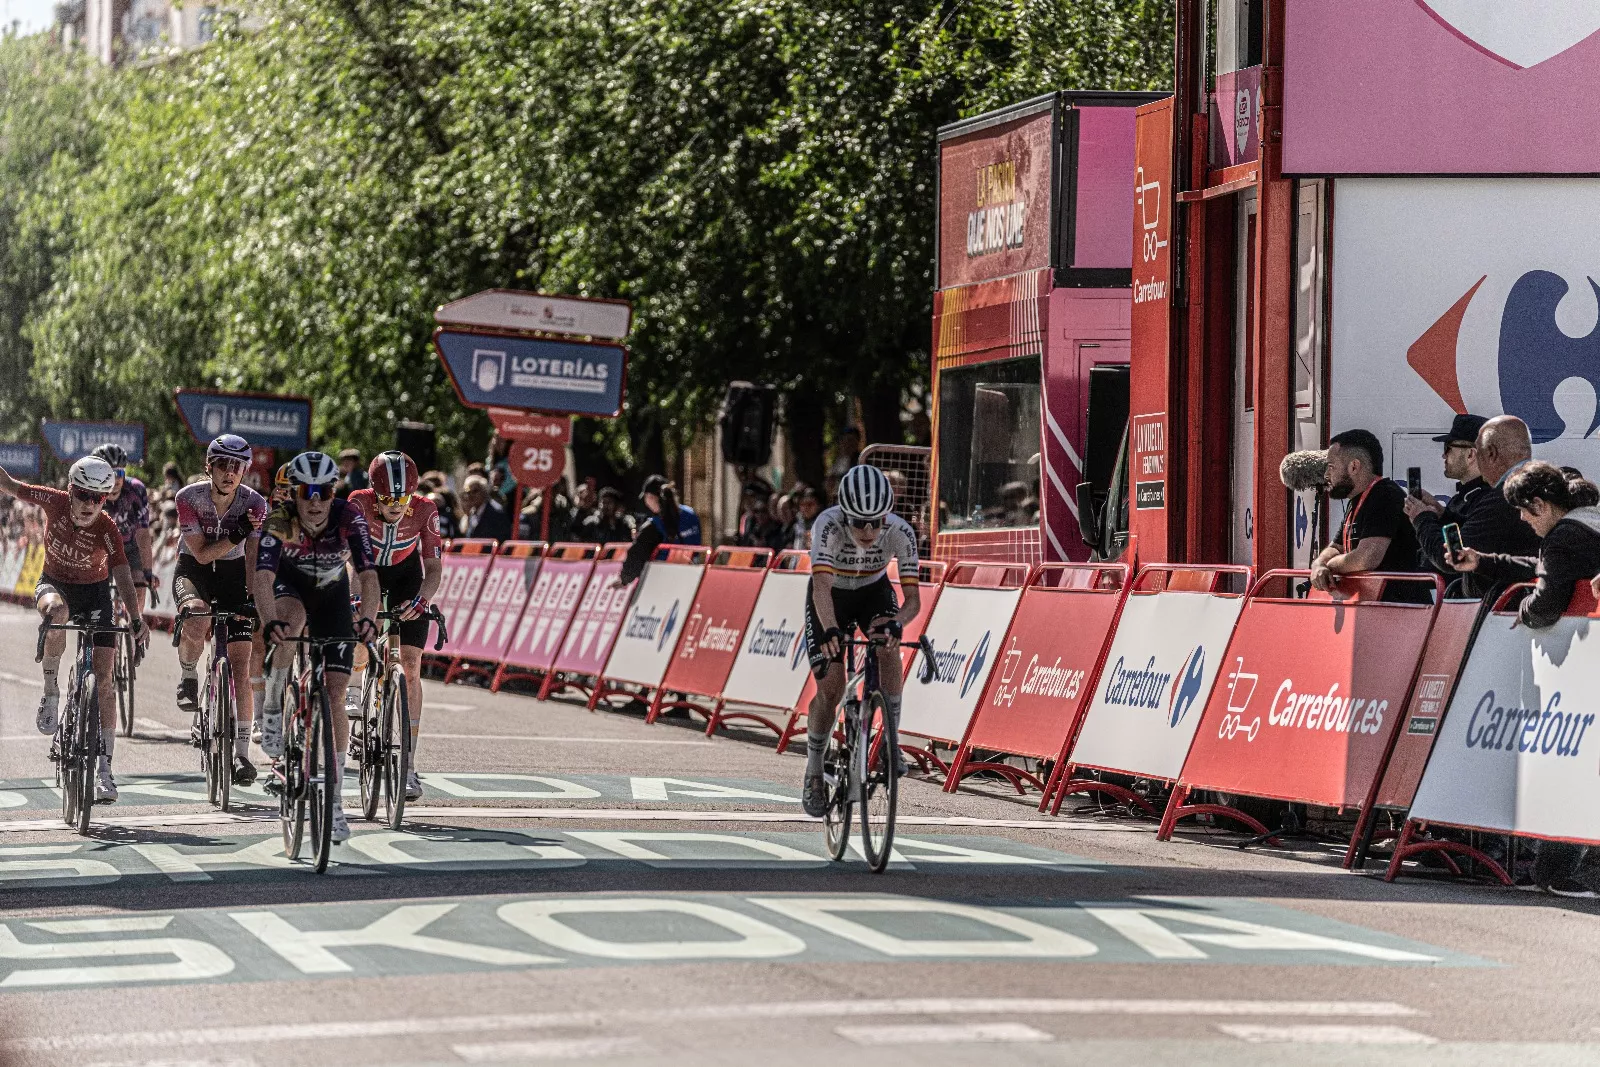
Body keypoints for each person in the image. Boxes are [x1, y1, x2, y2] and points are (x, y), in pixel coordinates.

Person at [1451, 461, 1600, 898]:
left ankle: (1563, 872)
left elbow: (1546, 600)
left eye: (1524, 511)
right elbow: (1541, 567)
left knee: (1572, 771)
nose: (1520, 520)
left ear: (1540, 503)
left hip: (1577, 675)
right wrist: (1487, 561)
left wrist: (1521, 612)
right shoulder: (1586, 521)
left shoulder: (1565, 536)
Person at [0, 456, 144, 803]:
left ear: (105, 499)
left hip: (95, 594)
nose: (88, 505)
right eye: (82, 495)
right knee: (56, 611)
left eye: (98, 498)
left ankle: (105, 769)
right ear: (70, 490)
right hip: (55, 585)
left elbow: (123, 573)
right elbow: (12, 486)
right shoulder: (55, 501)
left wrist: (137, 619)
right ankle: (51, 692)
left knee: (105, 680)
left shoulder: (107, 528)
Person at [255, 451, 380, 845]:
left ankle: (335, 800)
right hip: (289, 586)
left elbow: (368, 575)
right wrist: (267, 619)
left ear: (333, 492)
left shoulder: (348, 517)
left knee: (336, 693)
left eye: (323, 491)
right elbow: (262, 576)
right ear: (292, 493)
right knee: (290, 624)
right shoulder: (279, 519)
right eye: (306, 492)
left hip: (331, 592)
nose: (314, 501)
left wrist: (370, 619)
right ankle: (274, 705)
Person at [800, 464, 921, 817]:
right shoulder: (827, 525)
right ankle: (813, 770)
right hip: (831, 597)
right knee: (832, 687)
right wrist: (830, 630)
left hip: (873, 593)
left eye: (876, 522)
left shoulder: (901, 531)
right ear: (845, 514)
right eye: (859, 523)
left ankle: (889, 742)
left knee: (888, 648)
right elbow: (821, 587)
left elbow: (913, 600)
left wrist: (897, 623)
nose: (868, 531)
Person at [171, 434, 271, 785]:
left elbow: (254, 560)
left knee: (241, 664)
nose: (230, 473)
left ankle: (242, 755)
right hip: (195, 570)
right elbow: (199, 553)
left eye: (238, 466)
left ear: (244, 470)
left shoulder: (255, 504)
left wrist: (253, 602)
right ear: (209, 467)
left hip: (232, 575)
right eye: (223, 465)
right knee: (197, 617)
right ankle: (187, 673)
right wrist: (236, 534)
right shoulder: (188, 498)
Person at [348, 451, 443, 801]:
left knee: (412, 667)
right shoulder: (357, 503)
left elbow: (433, 570)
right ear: (375, 493)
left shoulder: (425, 510)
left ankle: (408, 765)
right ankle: (358, 688)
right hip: (367, 572)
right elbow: (354, 561)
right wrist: (357, 602)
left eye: (402, 499)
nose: (395, 507)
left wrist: (421, 601)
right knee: (362, 627)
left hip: (406, 577)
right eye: (387, 499)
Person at [1405, 413, 1539, 599]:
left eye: (1480, 453)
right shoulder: (1525, 488)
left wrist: (1422, 519)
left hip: (1502, 612)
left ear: (1489, 453)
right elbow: (1474, 536)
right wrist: (1443, 515)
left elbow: (1453, 557)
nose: (1478, 464)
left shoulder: (1503, 497)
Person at [1310, 428, 1427, 603]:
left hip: (1399, 610)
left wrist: (1330, 566)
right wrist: (1318, 564)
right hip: (1373, 609)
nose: (1327, 475)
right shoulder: (1356, 501)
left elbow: (1366, 558)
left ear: (1354, 466)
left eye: (1331, 467)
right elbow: (1336, 547)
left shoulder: (1385, 495)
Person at [92, 444, 156, 615]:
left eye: (119, 473)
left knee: (139, 584)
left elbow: (143, 535)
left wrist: (148, 573)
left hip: (129, 546)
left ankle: (135, 628)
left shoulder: (136, 489)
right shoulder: (90, 491)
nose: (115, 480)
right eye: (108, 474)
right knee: (97, 593)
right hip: (100, 549)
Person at [615, 475, 701, 586]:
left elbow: (637, 553)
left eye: (646, 498)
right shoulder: (691, 515)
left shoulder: (654, 526)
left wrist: (624, 579)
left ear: (651, 497)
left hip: (664, 580)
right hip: (693, 576)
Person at [459, 473, 512, 542]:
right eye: (468, 492)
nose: (471, 495)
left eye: (475, 491)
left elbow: (503, 539)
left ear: (484, 491)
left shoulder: (496, 512)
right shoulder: (471, 512)